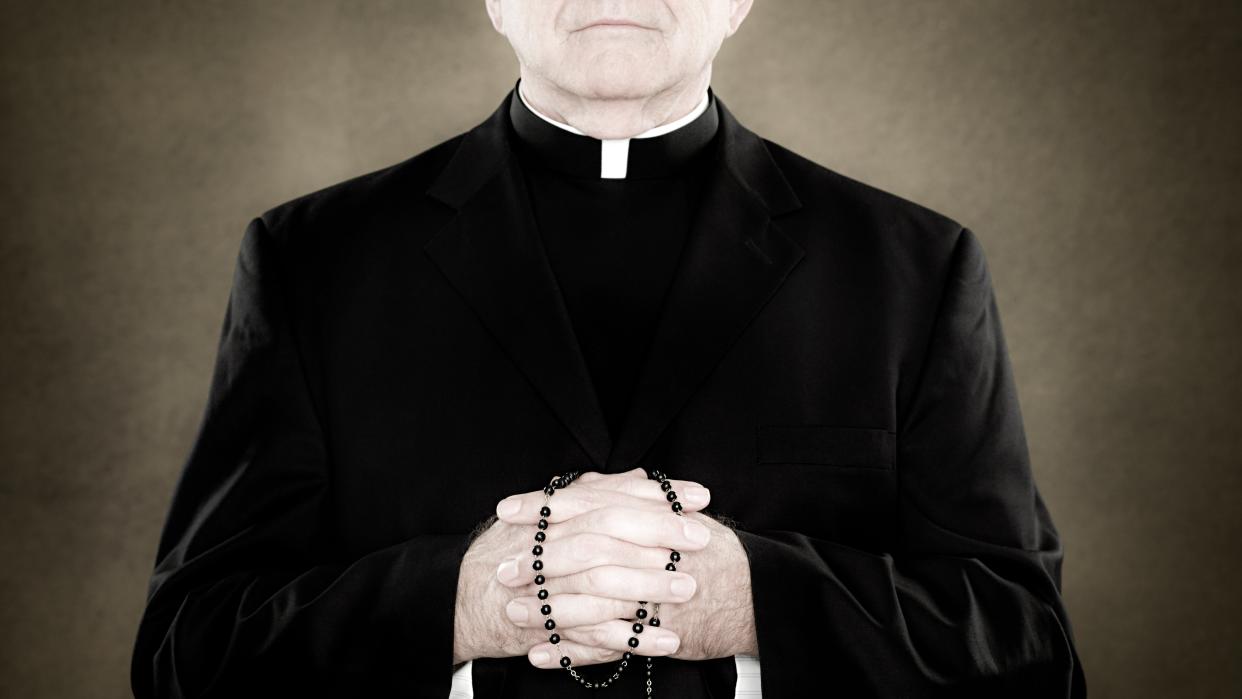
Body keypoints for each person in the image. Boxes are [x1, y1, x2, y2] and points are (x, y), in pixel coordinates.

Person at [130, 1, 1086, 697]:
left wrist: (755, 600)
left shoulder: (914, 266)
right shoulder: (312, 259)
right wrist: (463, 601)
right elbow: (187, 649)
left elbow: (1030, 643)